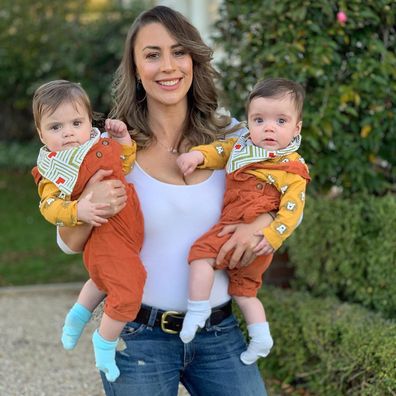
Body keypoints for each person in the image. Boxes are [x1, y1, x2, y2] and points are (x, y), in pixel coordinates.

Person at [57, 5, 275, 395]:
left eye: (178, 52)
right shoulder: (110, 148)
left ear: (194, 59)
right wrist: (91, 199)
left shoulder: (238, 138)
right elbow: (69, 242)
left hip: (219, 333)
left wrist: (259, 225)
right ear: (136, 69)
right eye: (152, 55)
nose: (168, 66)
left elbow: (282, 199)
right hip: (138, 336)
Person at [177, 78, 311, 365]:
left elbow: (293, 210)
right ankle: (261, 338)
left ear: (296, 128)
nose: (269, 127)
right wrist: (197, 156)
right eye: (259, 119)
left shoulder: (293, 168)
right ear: (249, 121)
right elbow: (220, 151)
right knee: (244, 291)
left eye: (281, 121)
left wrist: (271, 236)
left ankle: (197, 309)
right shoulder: (241, 146)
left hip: (250, 235)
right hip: (244, 231)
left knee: (200, 257)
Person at [31, 80, 147, 382]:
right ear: (41, 134)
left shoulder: (99, 145)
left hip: (126, 230)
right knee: (129, 287)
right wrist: (77, 209)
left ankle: (76, 318)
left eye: (76, 123)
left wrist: (122, 140)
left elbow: (126, 162)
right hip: (106, 235)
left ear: (89, 123)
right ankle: (105, 343)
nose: (68, 132)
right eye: (55, 127)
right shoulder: (52, 170)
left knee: (100, 280)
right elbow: (49, 207)